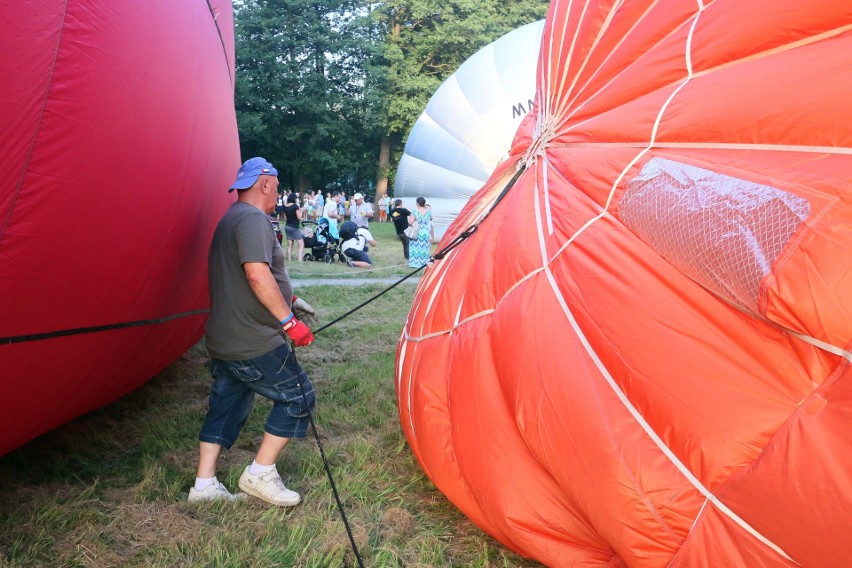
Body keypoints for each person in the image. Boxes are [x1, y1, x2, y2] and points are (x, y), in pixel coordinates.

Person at [189, 156, 317, 507]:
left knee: (226, 406)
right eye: (276, 186)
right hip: (253, 339)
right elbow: (256, 275)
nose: (278, 192)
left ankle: (204, 485)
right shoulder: (253, 219)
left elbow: (244, 275)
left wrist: (293, 300)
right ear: (265, 183)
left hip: (225, 338)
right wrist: (290, 324)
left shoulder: (231, 218)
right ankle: (260, 472)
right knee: (298, 396)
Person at [408, 196, 434, 269]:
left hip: (417, 231)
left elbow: (410, 222)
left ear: (417, 204)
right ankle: (424, 262)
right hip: (425, 231)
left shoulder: (415, 212)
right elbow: (431, 218)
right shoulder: (428, 212)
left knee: (415, 247)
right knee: (425, 248)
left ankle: (415, 263)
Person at [282, 192, 304, 261]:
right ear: (294, 199)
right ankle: (299, 260)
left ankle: (289, 259)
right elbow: (299, 217)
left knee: (290, 244)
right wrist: (301, 211)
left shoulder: (285, 206)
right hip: (294, 227)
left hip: (287, 226)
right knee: (301, 244)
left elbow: (285, 219)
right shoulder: (295, 206)